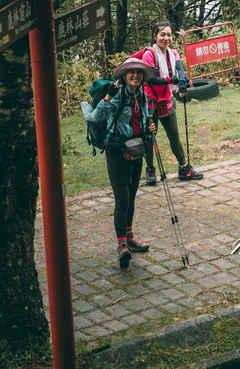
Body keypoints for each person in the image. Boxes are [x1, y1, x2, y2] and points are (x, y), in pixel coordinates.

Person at [82, 57, 157, 269]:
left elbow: (141, 120)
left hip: (136, 149)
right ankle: (121, 245)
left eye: (139, 73)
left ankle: (130, 236)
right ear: (124, 75)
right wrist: (107, 97)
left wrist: (148, 128)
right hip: (116, 150)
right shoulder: (116, 96)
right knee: (122, 198)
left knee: (132, 196)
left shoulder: (141, 94)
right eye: (131, 72)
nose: (135, 75)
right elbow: (95, 118)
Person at [139, 21, 204, 183]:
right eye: (162, 34)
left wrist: (182, 81)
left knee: (174, 136)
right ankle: (150, 170)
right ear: (155, 36)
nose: (166, 38)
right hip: (150, 101)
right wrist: (172, 80)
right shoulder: (149, 54)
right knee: (149, 136)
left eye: (169, 34)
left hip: (167, 99)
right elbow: (151, 79)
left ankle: (184, 168)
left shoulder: (173, 53)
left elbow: (180, 70)